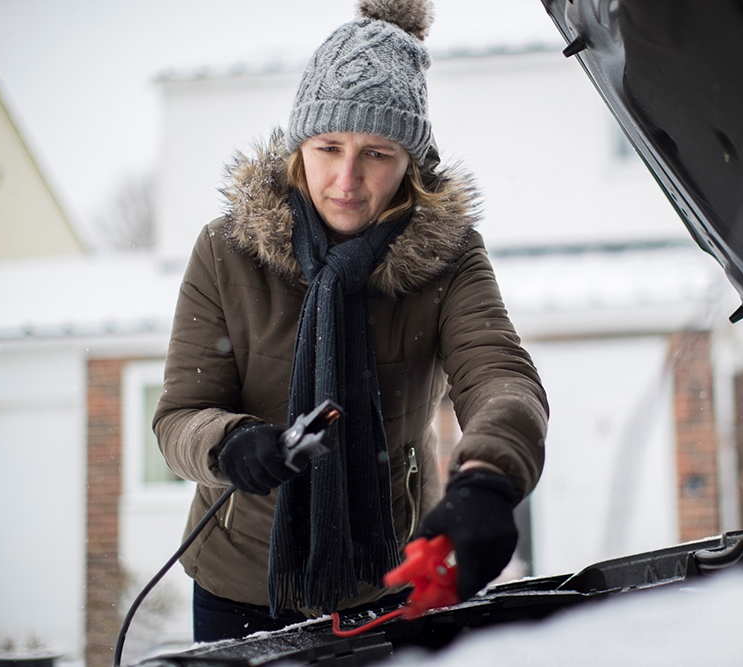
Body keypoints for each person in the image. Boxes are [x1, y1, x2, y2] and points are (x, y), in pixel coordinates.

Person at [153, 0, 548, 643]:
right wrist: (228, 443)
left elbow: (501, 376)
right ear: (298, 145)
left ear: (411, 163)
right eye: (328, 146)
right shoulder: (226, 251)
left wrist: (488, 478)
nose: (346, 179)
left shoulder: (449, 258)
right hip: (239, 582)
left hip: (387, 581)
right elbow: (178, 417)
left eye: (377, 153)